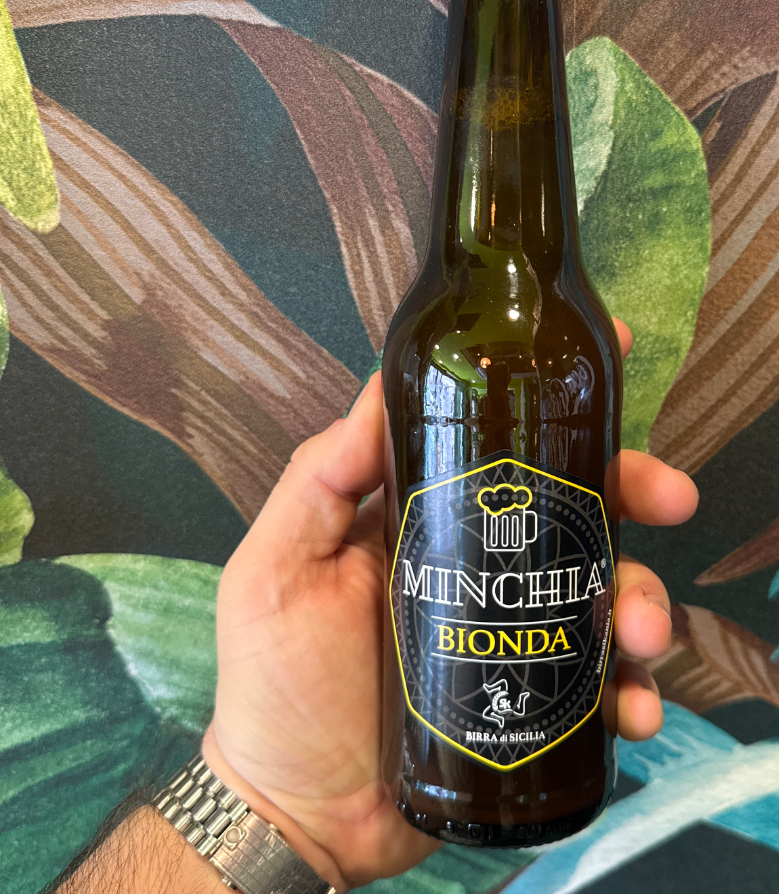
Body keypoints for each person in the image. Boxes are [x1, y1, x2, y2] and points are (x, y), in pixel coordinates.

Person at [51, 320, 698, 893]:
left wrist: (274, 811)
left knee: (591, 587)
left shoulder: (562, 325)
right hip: (410, 768)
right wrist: (270, 801)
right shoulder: (440, 329)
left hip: (545, 770)